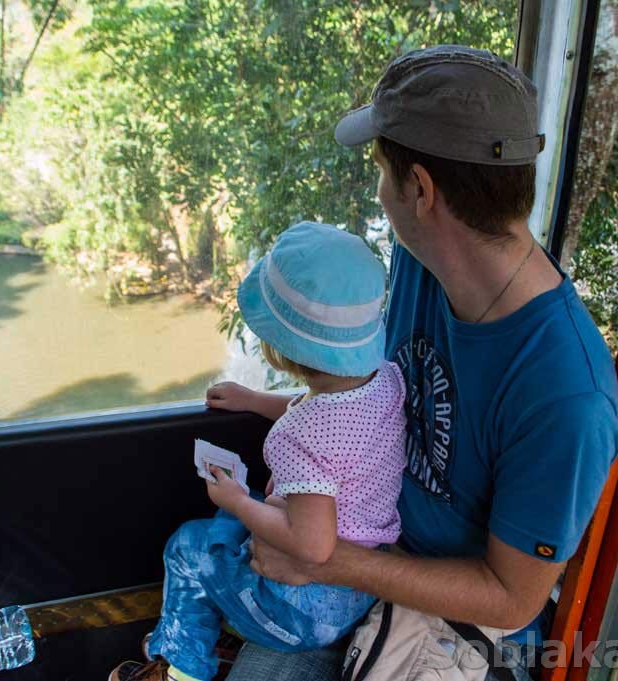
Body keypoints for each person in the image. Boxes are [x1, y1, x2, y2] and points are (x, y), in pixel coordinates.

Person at [223, 46, 618, 681]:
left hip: (455, 621)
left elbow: (511, 595)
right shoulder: (420, 260)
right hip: (364, 542)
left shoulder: (565, 397)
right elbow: (355, 398)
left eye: (384, 174)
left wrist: (325, 559)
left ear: (421, 190)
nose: (380, 194)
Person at [109, 221, 408, 681]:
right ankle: (225, 615)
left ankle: (181, 665)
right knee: (227, 526)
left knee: (189, 547)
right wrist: (252, 401)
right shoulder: (384, 380)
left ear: (281, 348)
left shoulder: (298, 436)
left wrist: (239, 501)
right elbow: (325, 414)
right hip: (358, 590)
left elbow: (313, 544)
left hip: (304, 612)